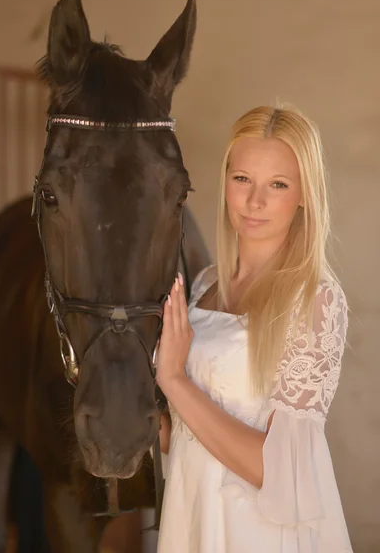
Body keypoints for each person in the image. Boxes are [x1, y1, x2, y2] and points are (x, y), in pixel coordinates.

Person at [155, 105, 353, 553]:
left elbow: (280, 471)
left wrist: (173, 379)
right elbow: (181, 439)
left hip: (260, 534)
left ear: (304, 195)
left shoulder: (315, 300)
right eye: (242, 179)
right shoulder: (205, 285)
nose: (254, 201)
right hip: (192, 517)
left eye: (277, 185)